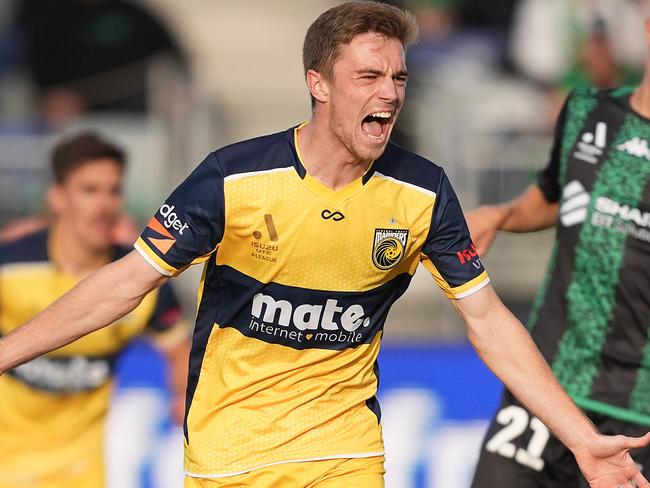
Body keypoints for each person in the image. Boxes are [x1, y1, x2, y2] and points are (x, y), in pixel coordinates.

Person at [0, 3, 648, 487]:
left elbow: (489, 323)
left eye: (398, 78)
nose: (389, 94)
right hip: (230, 457)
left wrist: (582, 440)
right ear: (319, 84)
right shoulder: (234, 178)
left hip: (345, 455)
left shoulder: (421, 192)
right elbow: (124, 283)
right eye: (368, 76)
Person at [467, 17, 650, 488]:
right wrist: (501, 215)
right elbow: (555, 196)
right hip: (548, 388)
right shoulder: (588, 109)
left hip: (638, 415)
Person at [0, 132, 190, 488]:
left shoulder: (141, 279)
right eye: (89, 190)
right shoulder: (10, 265)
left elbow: (179, 352)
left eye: (113, 190)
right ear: (57, 198)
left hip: (83, 474)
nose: (104, 204)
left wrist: (183, 394)